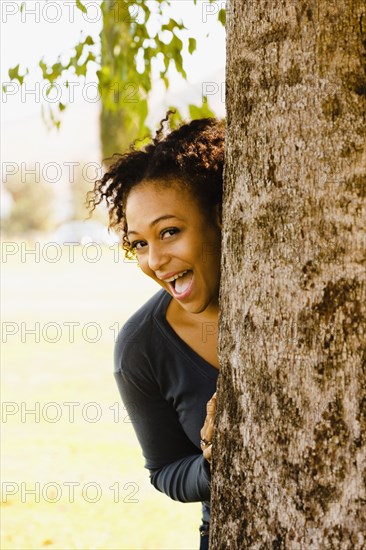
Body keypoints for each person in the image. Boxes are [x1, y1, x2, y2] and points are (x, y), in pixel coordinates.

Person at [91, 114, 224, 549]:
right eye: (140, 244)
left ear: (220, 218)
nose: (155, 260)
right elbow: (165, 470)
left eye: (170, 232)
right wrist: (211, 464)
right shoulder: (141, 347)